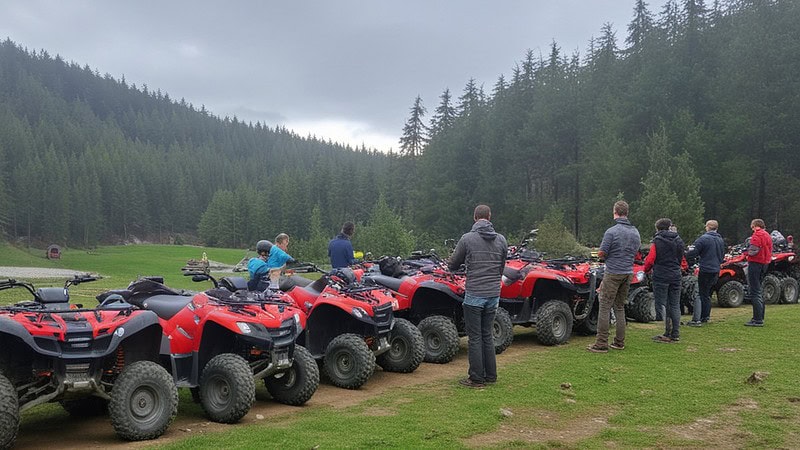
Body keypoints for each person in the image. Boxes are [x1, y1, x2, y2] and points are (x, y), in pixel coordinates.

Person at [448, 205, 507, 388]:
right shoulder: (501, 240)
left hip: (475, 294)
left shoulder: (467, 239)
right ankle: (491, 375)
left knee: (475, 338)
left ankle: (476, 379)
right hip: (493, 294)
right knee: (486, 335)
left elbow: (453, 264)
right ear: (489, 217)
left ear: (475, 217)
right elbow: (501, 266)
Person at [588, 200, 641, 353]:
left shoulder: (612, 231)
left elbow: (602, 253)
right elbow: (635, 251)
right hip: (628, 272)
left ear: (615, 212)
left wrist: (601, 255)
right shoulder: (635, 232)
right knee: (619, 306)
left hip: (613, 272)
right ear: (627, 213)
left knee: (604, 306)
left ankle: (601, 343)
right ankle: (619, 342)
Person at [643, 219, 685, 343]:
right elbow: (681, 257)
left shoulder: (657, 241)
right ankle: (675, 333)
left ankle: (668, 332)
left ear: (658, 228)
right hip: (675, 274)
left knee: (665, 304)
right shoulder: (679, 240)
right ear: (669, 227)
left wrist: (646, 270)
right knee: (675, 304)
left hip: (661, 275)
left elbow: (650, 259)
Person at [685, 220, 725, 326]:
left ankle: (696, 319)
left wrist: (687, 255)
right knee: (707, 294)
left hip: (706, 269)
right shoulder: (720, 239)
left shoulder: (703, 239)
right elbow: (722, 255)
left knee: (700, 293)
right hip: (716, 269)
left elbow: (691, 253)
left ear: (707, 227)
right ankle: (705, 316)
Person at [745, 219, 771, 327]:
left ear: (755, 226)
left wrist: (745, 253)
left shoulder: (756, 236)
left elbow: (753, 251)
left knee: (754, 291)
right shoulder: (767, 235)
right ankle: (760, 316)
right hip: (765, 264)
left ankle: (757, 319)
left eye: (752, 226)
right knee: (759, 290)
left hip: (755, 263)